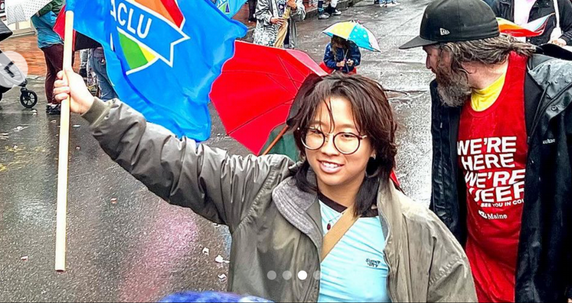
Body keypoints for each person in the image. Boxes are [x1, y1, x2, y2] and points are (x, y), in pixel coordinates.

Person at [53, 70, 477, 303]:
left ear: (375, 145)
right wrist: (95, 110)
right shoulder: (261, 188)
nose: (329, 148)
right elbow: (178, 162)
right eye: (317, 132)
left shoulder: (419, 234)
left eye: (347, 136)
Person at [399, 0, 572, 303]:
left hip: (539, 281)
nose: (427, 65)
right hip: (476, 274)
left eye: (430, 53)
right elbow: (445, 187)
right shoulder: (447, 97)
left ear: (452, 53)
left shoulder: (554, 91)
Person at [31, 0, 66, 115]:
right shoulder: (43, 10)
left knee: (51, 72)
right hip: (53, 42)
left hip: (46, 41)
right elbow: (56, 23)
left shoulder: (35, 9)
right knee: (60, 72)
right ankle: (55, 103)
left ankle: (51, 102)